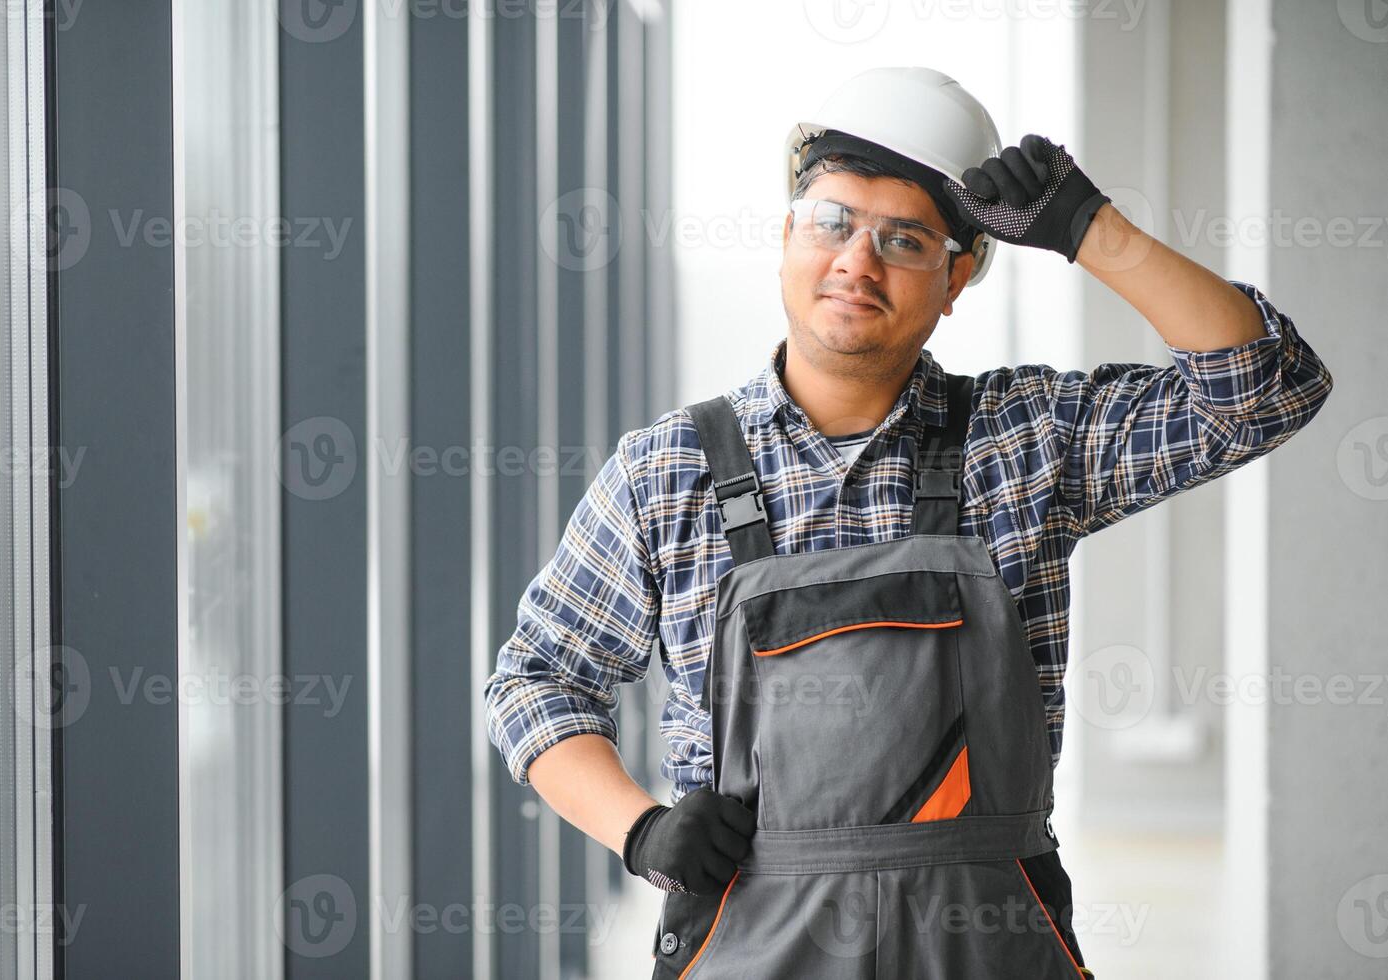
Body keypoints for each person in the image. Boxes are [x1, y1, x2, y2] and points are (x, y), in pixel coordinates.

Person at [483, 67, 1332, 977]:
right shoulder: (669, 470)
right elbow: (536, 682)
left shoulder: (1027, 442)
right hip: (749, 932)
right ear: (785, 236)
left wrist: (1093, 232)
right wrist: (641, 828)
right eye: (832, 222)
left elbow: (1267, 391)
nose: (857, 261)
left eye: (905, 239)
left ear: (957, 276)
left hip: (983, 940)